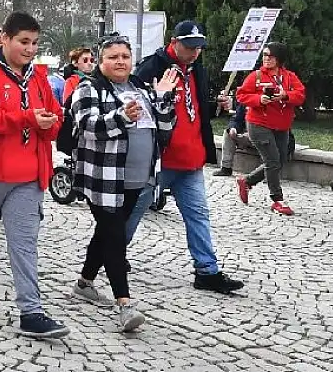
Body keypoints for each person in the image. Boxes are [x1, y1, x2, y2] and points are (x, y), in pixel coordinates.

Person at [0, 12, 70, 339]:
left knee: (24, 243)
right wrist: (27, 118)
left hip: (27, 175)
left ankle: (31, 311)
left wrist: (49, 123)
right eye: (23, 42)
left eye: (34, 43)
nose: (30, 49)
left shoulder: (38, 77)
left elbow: (55, 116)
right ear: (4, 38)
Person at [125, 21, 244, 294]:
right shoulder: (150, 68)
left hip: (190, 160)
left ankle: (207, 270)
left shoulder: (196, 68)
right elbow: (137, 113)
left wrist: (218, 106)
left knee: (198, 214)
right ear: (174, 41)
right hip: (158, 160)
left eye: (199, 47)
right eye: (189, 47)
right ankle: (112, 253)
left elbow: (197, 109)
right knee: (134, 211)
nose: (194, 52)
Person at [69, 35, 178, 332]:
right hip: (103, 180)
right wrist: (121, 115)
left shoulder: (141, 88)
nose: (120, 62)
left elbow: (166, 128)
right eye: (113, 57)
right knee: (116, 237)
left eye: (125, 57)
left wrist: (166, 98)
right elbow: (89, 126)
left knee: (106, 233)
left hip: (138, 180)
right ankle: (125, 306)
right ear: (101, 62)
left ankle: (84, 283)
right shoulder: (88, 88)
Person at [235, 42, 305, 215]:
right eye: (265, 55)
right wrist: (259, 100)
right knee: (273, 161)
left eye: (270, 56)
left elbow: (301, 94)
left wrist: (286, 95)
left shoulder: (289, 77)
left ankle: (247, 181)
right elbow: (241, 95)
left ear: (279, 59)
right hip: (259, 124)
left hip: (282, 125)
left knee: (279, 160)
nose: (266, 58)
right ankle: (277, 200)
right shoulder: (256, 76)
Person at [216, 100, 250, 177]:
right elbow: (237, 118)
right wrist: (232, 128)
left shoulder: (267, 99)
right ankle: (226, 168)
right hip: (246, 135)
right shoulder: (244, 99)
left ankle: (267, 173)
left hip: (262, 136)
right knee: (228, 133)